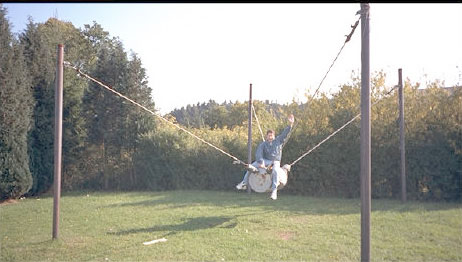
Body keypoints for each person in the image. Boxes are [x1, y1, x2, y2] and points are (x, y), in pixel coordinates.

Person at [236, 114, 295, 200]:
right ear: (266, 136)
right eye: (268, 136)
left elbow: (285, 133)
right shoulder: (263, 144)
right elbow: (258, 153)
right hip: (265, 160)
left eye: (271, 135)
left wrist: (290, 124)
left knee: (275, 170)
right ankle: (244, 183)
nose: (270, 137)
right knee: (251, 166)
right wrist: (261, 162)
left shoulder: (278, 140)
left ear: (274, 136)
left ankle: (274, 191)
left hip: (275, 161)